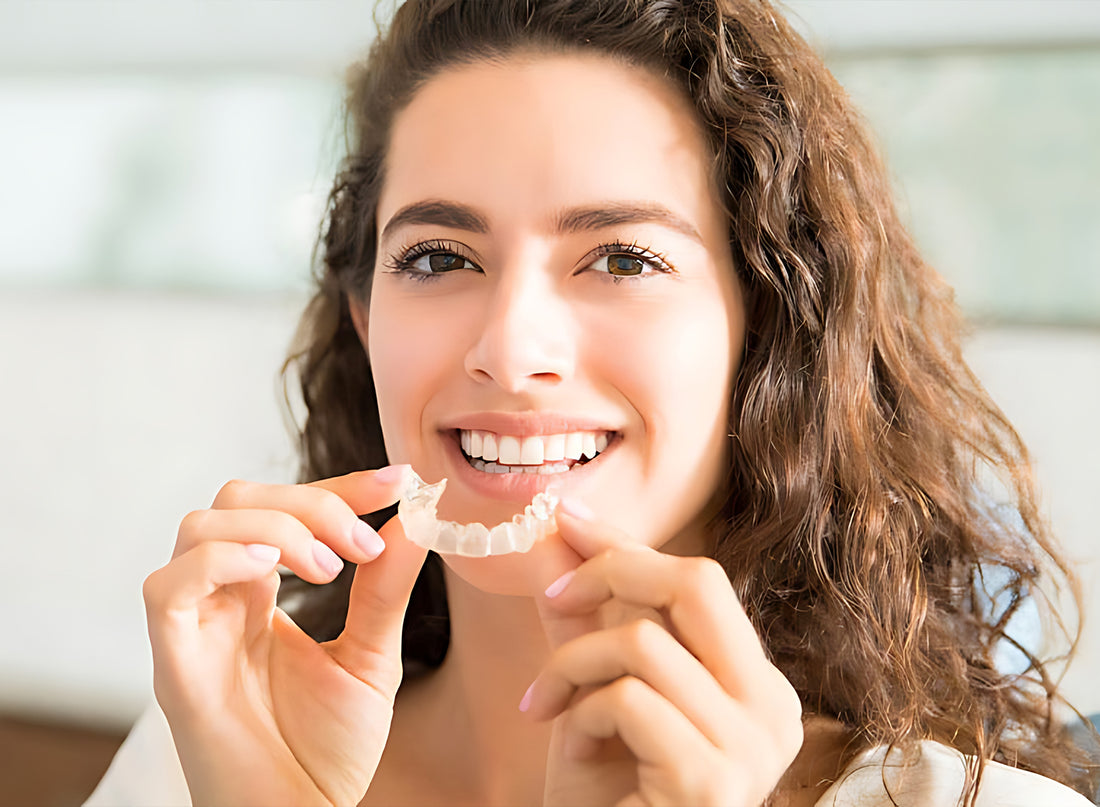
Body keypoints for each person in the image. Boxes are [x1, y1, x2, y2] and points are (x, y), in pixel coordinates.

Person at [86, 0, 1097, 805]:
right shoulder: (201, 759)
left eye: (622, 258)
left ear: (766, 330)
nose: (509, 350)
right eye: (438, 257)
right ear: (364, 320)